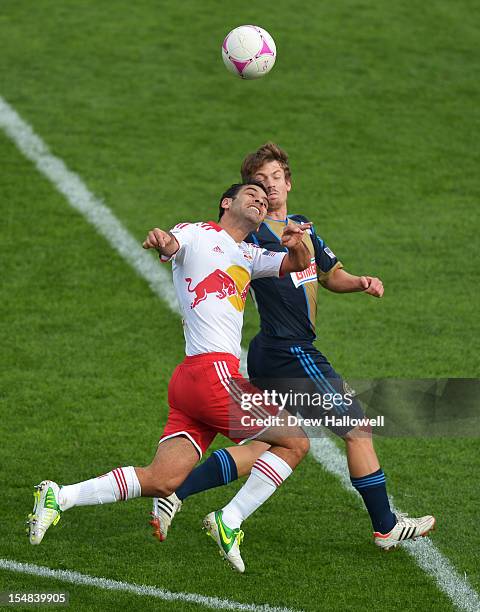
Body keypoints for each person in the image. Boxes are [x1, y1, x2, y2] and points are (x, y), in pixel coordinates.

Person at [151, 144, 435, 551]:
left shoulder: (302, 225)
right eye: (260, 183)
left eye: (275, 179)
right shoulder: (255, 234)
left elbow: (328, 273)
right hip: (291, 351)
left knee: (267, 443)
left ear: (288, 182)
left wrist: (358, 282)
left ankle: (175, 494)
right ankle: (385, 526)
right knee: (357, 429)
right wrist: (290, 243)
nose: (269, 188)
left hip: (274, 351)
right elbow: (265, 258)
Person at [27, 180, 313, 573]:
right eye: (251, 195)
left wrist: (296, 240)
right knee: (295, 441)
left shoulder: (250, 254)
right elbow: (172, 245)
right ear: (226, 203)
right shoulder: (197, 233)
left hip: (191, 379)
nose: (260, 202)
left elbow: (296, 264)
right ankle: (229, 521)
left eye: (265, 202)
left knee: (162, 480)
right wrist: (163, 241)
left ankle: (61, 496)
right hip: (213, 374)